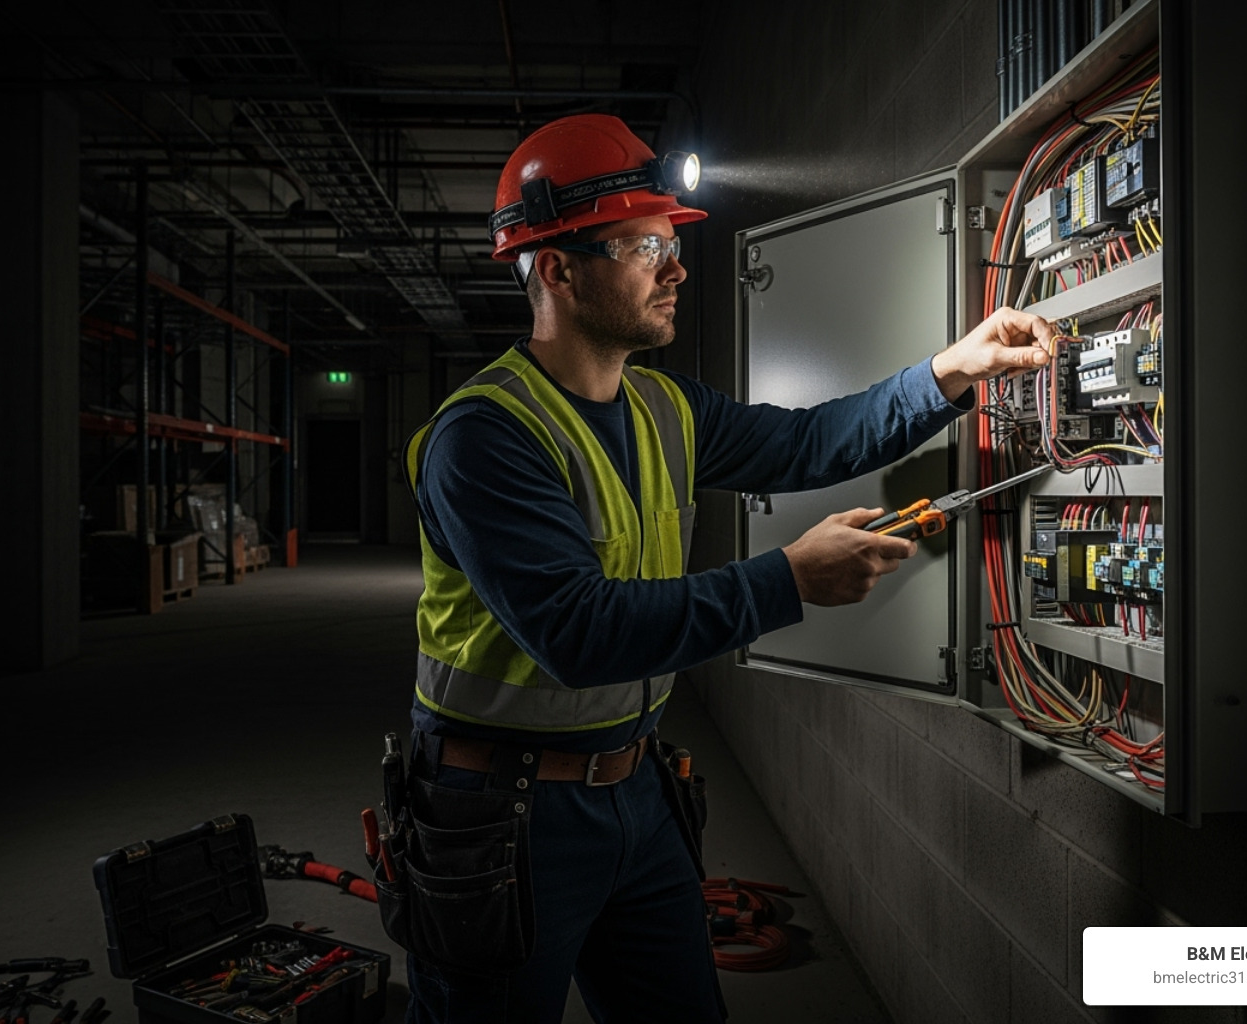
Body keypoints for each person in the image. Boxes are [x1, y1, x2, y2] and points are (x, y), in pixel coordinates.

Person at [386, 113, 1053, 1023]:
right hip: (499, 815)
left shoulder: (663, 406)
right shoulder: (483, 437)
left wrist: (949, 370)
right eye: (643, 244)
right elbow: (579, 634)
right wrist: (788, 581)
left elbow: (806, 442)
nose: (676, 268)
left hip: (636, 793)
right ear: (555, 267)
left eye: (670, 242)